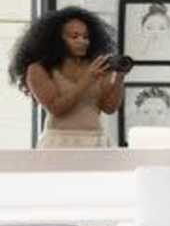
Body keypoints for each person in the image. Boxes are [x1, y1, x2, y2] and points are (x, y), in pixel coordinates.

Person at [12, 8, 124, 148]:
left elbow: (109, 108)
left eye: (86, 37)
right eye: (74, 37)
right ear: (56, 39)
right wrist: (88, 79)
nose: (82, 41)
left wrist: (119, 78)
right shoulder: (38, 69)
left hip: (96, 141)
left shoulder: (96, 66)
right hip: (59, 142)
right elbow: (56, 108)